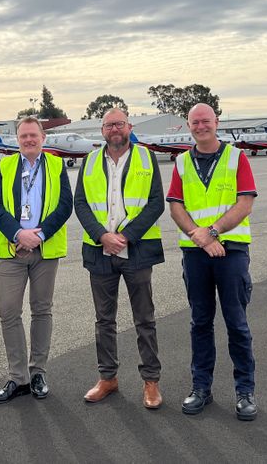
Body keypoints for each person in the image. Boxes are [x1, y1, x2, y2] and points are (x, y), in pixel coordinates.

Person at [167, 103, 259, 420]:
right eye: (195, 122)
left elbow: (245, 202)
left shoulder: (236, 157)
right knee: (200, 323)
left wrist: (213, 232)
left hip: (230, 250)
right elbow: (176, 207)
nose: (200, 126)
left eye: (206, 120)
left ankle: (245, 392)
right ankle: (201, 388)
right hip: (195, 251)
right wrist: (199, 236)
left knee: (237, 323)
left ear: (216, 122)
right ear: (189, 126)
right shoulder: (181, 163)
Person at [74, 108, 165, 409]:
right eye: (109, 125)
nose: (115, 129)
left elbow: (155, 203)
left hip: (136, 251)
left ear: (130, 127)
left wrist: (124, 236)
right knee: (104, 320)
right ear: (102, 130)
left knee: (144, 319)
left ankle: (151, 382)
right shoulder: (88, 162)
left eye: (120, 124)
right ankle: (108, 378)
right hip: (100, 252)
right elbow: (81, 204)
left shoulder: (147, 158)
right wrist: (102, 236)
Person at [0, 116, 73, 404]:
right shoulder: (5, 165)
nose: (28, 140)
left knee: (41, 310)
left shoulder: (57, 165)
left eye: (33, 135)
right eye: (23, 136)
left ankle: (38, 372)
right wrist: (18, 234)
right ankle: (17, 377)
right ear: (17, 139)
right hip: (13, 251)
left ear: (43, 138)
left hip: (44, 250)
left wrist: (40, 235)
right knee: (8, 311)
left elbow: (65, 205)